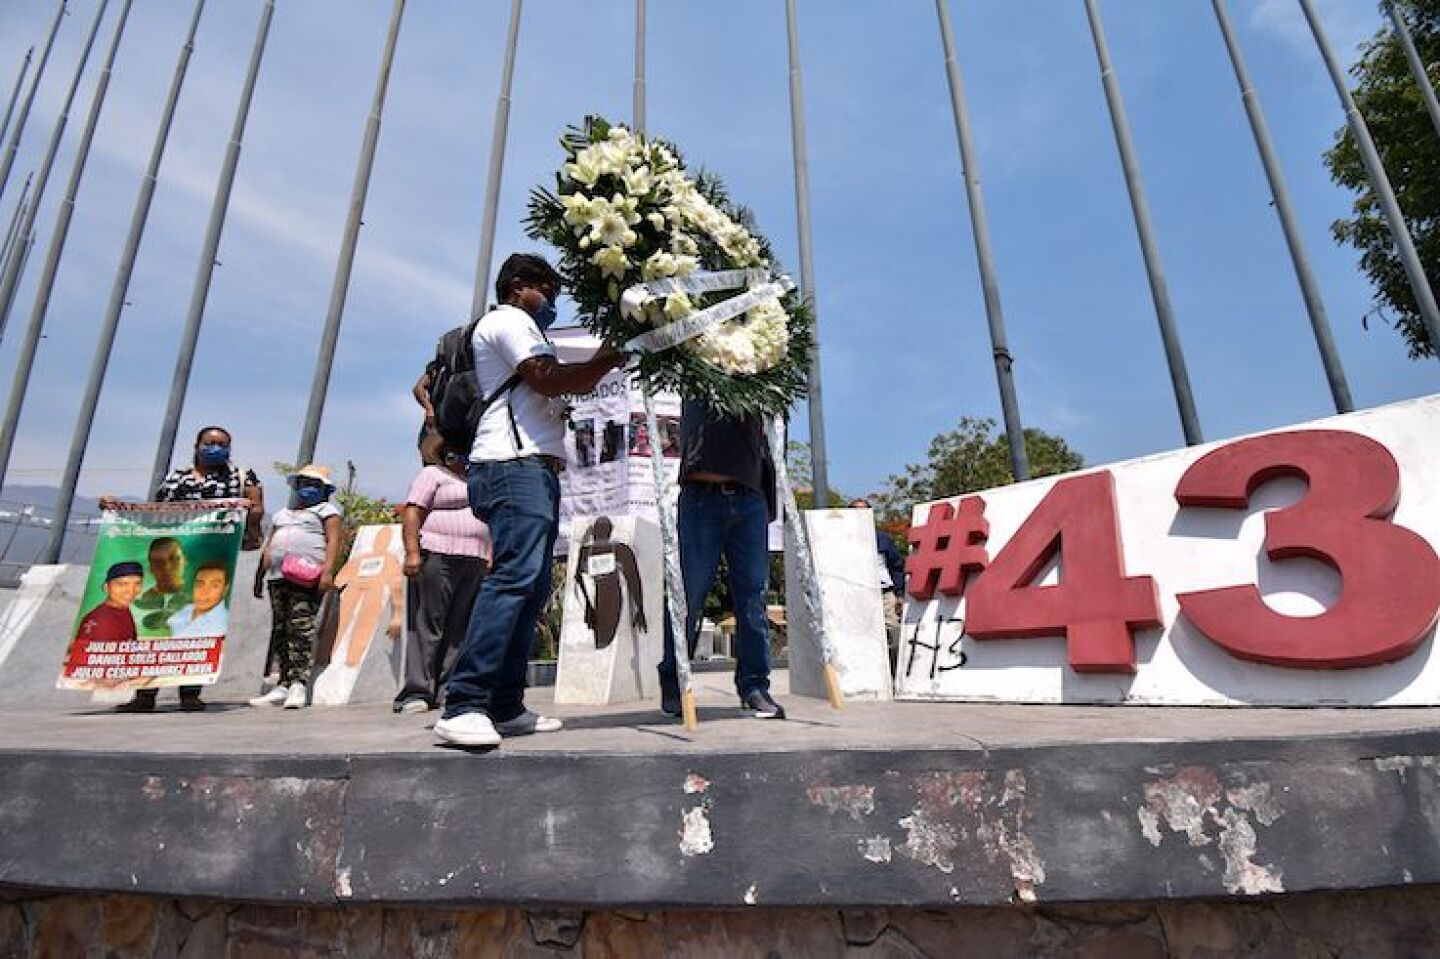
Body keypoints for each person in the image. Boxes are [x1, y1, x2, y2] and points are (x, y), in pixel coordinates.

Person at [434, 252, 625, 748]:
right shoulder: (509, 321)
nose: (553, 305)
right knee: (513, 580)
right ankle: (465, 703)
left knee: (532, 587)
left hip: (531, 470)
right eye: (549, 292)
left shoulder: (522, 328)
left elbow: (551, 390)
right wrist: (609, 358)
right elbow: (547, 379)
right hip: (510, 465)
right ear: (519, 286)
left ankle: (505, 705)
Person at [114, 425, 264, 713]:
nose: (216, 448)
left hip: (209, 557)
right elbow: (155, 510)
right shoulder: (177, 476)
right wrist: (117, 507)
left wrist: (249, 508)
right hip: (171, 552)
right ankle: (145, 694)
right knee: (155, 625)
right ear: (196, 445)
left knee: (199, 624)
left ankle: (190, 692)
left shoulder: (240, 476)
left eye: (223, 444)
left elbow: (257, 509)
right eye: (209, 442)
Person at [658, 398, 786, 720]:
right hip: (701, 498)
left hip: (748, 497)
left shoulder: (760, 371)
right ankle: (675, 681)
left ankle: (754, 686)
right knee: (688, 594)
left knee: (753, 597)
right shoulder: (697, 371)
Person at [395, 445, 493, 713]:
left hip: (474, 557)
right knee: (428, 623)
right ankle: (417, 691)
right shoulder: (432, 475)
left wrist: (490, 553)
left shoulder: (480, 479)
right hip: (437, 553)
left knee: (460, 627)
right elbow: (413, 512)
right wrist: (412, 552)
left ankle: (448, 687)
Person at [252, 465, 342, 710]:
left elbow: (333, 541)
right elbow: (269, 544)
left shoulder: (327, 511)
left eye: (314, 484)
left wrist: (328, 571)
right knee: (280, 629)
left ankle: (299, 684)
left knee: (300, 627)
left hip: (306, 575)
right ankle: (283, 682)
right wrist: (259, 575)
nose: (308, 489)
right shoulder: (282, 514)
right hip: (277, 576)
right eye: (303, 484)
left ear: (324, 490)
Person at [851, 497, 907, 667]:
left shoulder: (882, 539)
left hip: (884, 592)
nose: (860, 516)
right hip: (859, 594)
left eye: (864, 512)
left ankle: (896, 670)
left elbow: (896, 566)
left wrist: (899, 594)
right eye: (855, 513)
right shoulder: (845, 540)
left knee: (894, 630)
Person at [67, 562, 144, 674]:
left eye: (137, 584)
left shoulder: (122, 608)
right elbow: (83, 665)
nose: (131, 591)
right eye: (122, 584)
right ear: (106, 587)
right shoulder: (99, 620)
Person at [133, 537, 187, 635]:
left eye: (174, 559)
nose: (167, 567)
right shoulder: (135, 609)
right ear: (151, 568)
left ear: (185, 561)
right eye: (159, 562)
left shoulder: (204, 600)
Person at [167, 562, 231, 639]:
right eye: (199, 585)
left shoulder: (223, 626)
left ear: (225, 590)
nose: (204, 592)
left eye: (215, 586)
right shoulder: (186, 609)